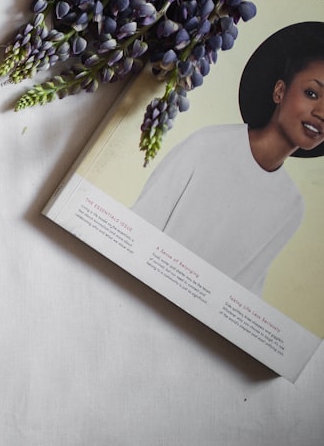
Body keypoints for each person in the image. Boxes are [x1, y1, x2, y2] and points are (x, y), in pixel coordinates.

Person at [132, 22, 324, 296]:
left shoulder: (292, 207)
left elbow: (246, 292)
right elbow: (140, 223)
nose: (321, 112)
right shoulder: (207, 145)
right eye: (312, 94)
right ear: (279, 91)